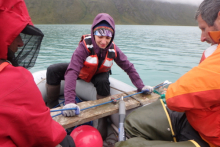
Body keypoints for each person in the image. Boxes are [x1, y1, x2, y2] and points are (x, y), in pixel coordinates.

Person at [115, 0, 220, 147]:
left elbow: (175, 98)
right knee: (133, 123)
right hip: (194, 119)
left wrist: (170, 91)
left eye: (203, 29)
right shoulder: (215, 49)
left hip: (210, 140)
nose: (202, 38)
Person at [0, 0, 76, 146]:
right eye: (16, 34)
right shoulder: (17, 81)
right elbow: (45, 136)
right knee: (67, 142)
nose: (21, 43)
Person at [46, 13, 153, 115]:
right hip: (82, 72)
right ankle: (52, 105)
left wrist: (141, 86)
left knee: (103, 82)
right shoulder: (84, 47)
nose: (103, 41)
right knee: (52, 70)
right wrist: (70, 101)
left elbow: (129, 67)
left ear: (112, 37)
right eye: (100, 36)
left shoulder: (113, 49)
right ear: (93, 33)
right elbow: (72, 71)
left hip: (99, 74)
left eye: (107, 38)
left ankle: (102, 118)